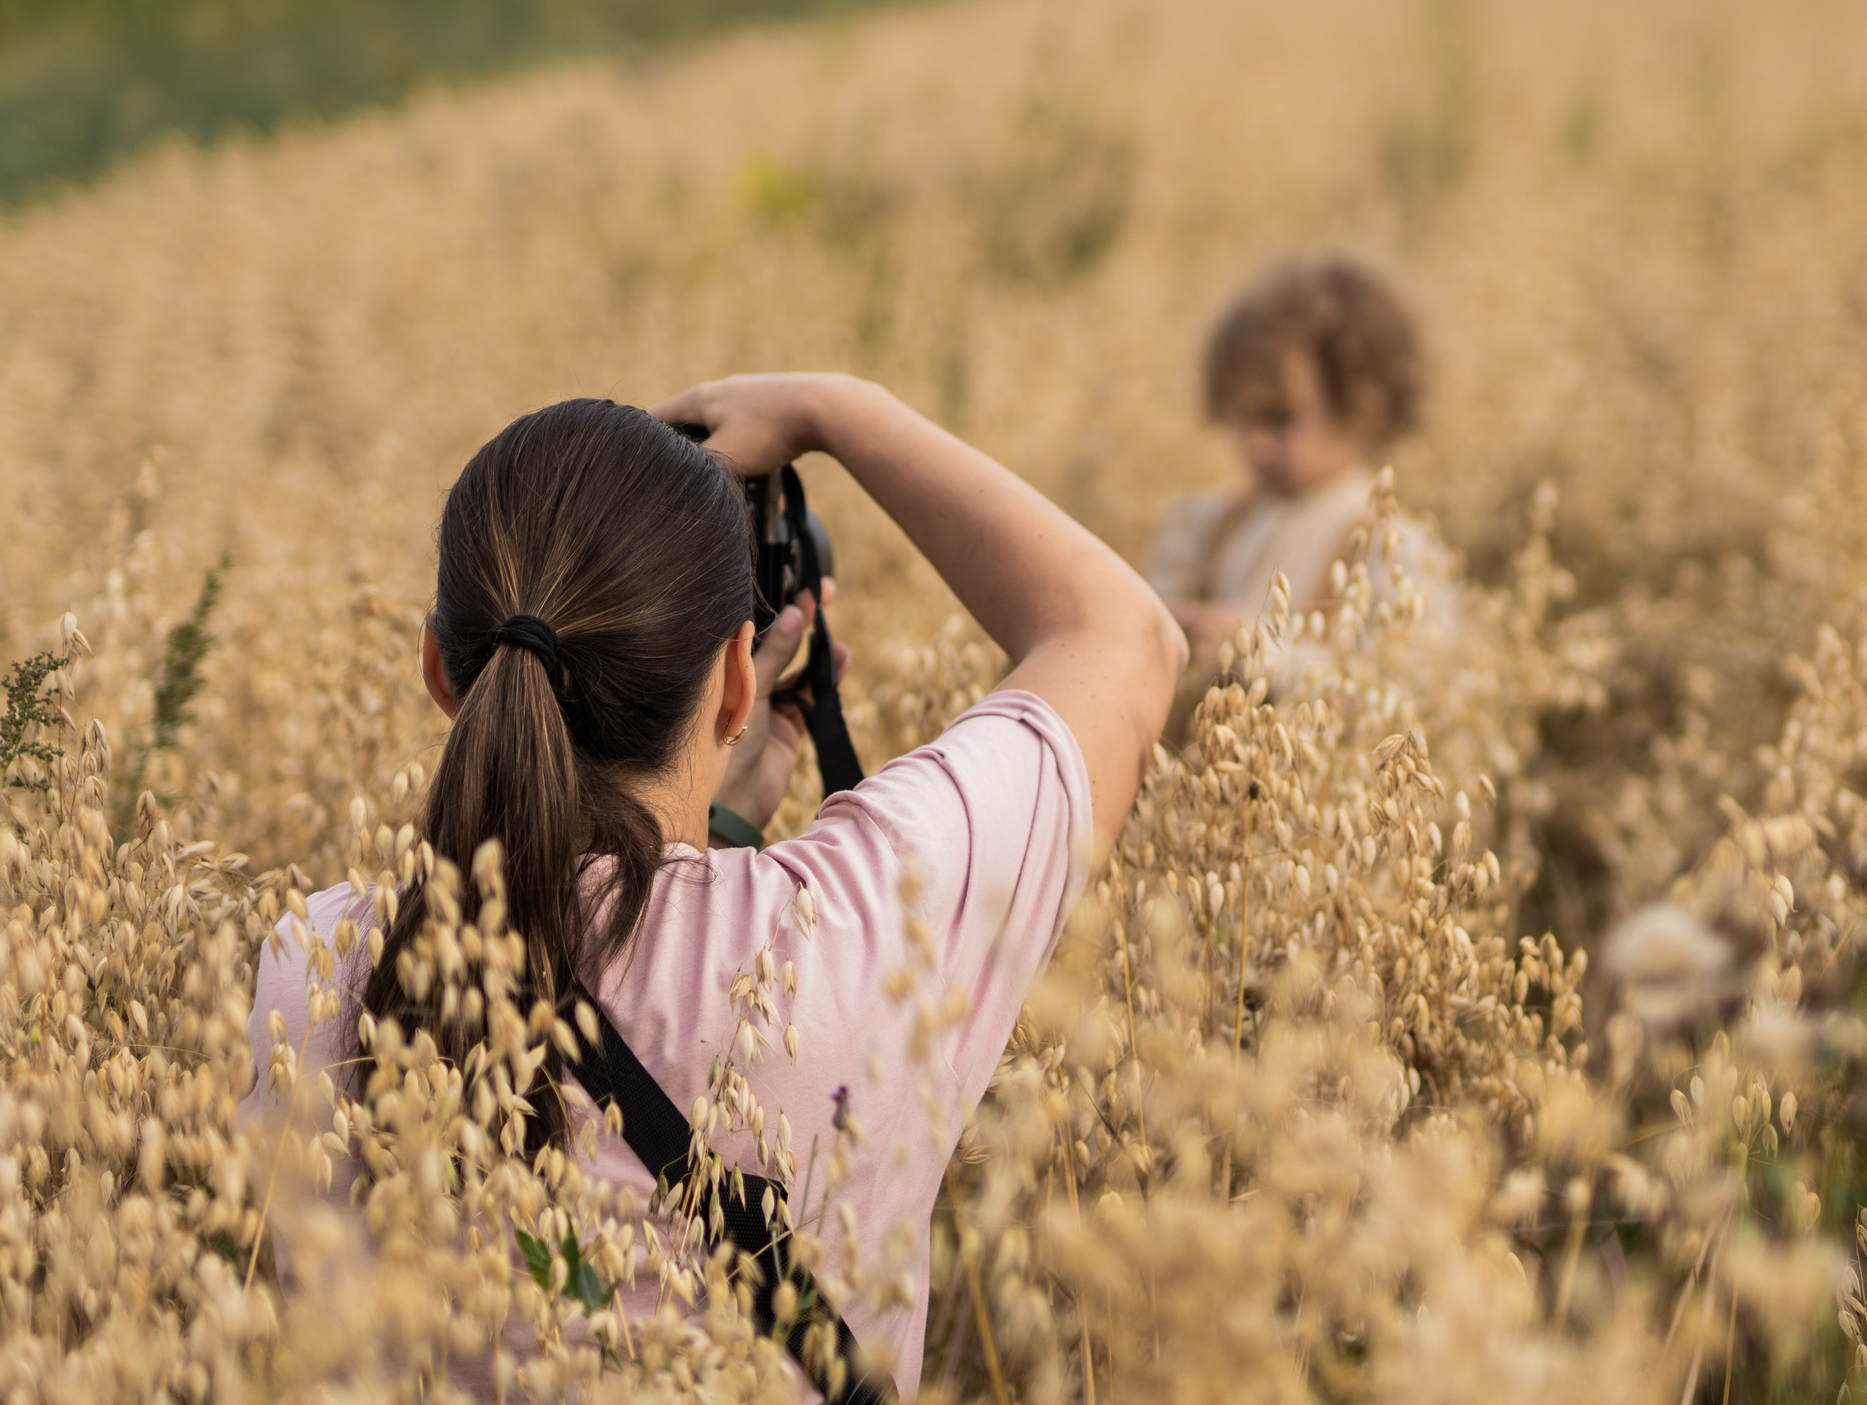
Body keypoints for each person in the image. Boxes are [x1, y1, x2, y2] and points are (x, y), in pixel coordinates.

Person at [240, 381, 1184, 1396]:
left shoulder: (315, 969)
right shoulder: (862, 929)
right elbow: (1126, 639)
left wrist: (712, 828)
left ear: (441, 672)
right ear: (739, 676)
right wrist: (831, 409)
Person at [1143, 253, 1457, 669]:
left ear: (1362, 404)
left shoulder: (1393, 551)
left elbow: (1407, 686)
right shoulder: (1199, 527)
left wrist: (1260, 654)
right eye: (1243, 417)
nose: (1257, 443)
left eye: (1279, 418)